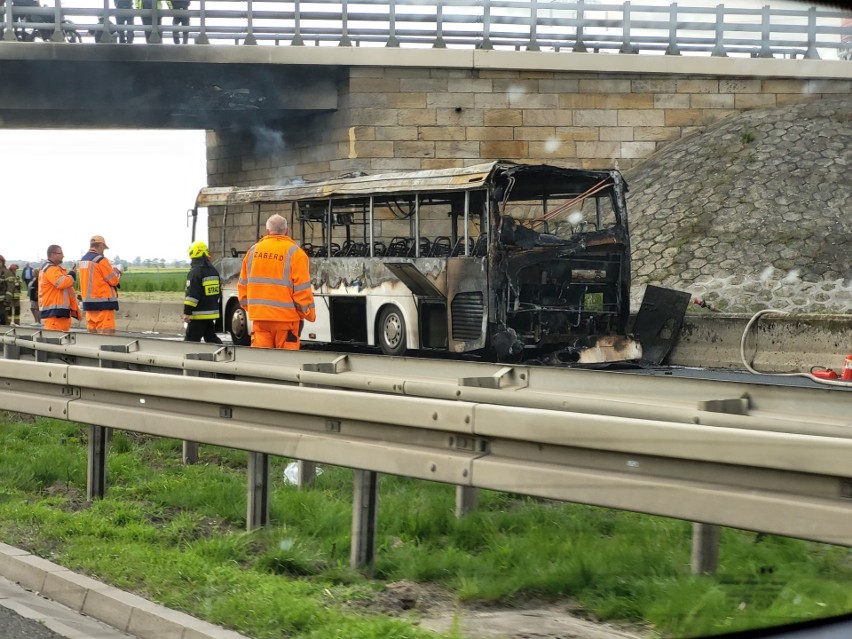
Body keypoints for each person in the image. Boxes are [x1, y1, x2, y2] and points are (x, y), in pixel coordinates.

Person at [238, 214, 315, 350]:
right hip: (286, 321)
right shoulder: (296, 253)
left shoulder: (252, 252)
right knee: (285, 364)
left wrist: (253, 309)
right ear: (287, 231)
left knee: (262, 364)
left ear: (267, 231)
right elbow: (302, 290)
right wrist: (308, 314)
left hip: (260, 320)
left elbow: (243, 287)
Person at [79, 235, 121, 334]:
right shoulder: (101, 260)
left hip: (89, 306)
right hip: (103, 306)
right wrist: (116, 272)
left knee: (94, 341)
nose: (103, 251)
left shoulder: (83, 261)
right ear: (101, 245)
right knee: (107, 340)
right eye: (104, 248)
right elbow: (113, 281)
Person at [183, 240, 222, 344]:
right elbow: (218, 293)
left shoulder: (195, 272)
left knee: (190, 342)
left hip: (198, 315)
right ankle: (225, 355)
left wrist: (187, 312)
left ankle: (188, 360)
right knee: (211, 339)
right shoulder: (213, 270)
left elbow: (192, 296)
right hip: (210, 314)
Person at [38, 245, 81, 332]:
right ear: (53, 254)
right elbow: (62, 283)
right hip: (55, 316)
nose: (63, 255)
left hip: (58, 315)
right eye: (60, 253)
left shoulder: (52, 269)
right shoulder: (50, 269)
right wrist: (72, 275)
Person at [0, 255, 10, 325]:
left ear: (2, 262)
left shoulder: (6, 272)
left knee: (4, 319)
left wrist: (7, 299)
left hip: (3, 302)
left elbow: (10, 287)